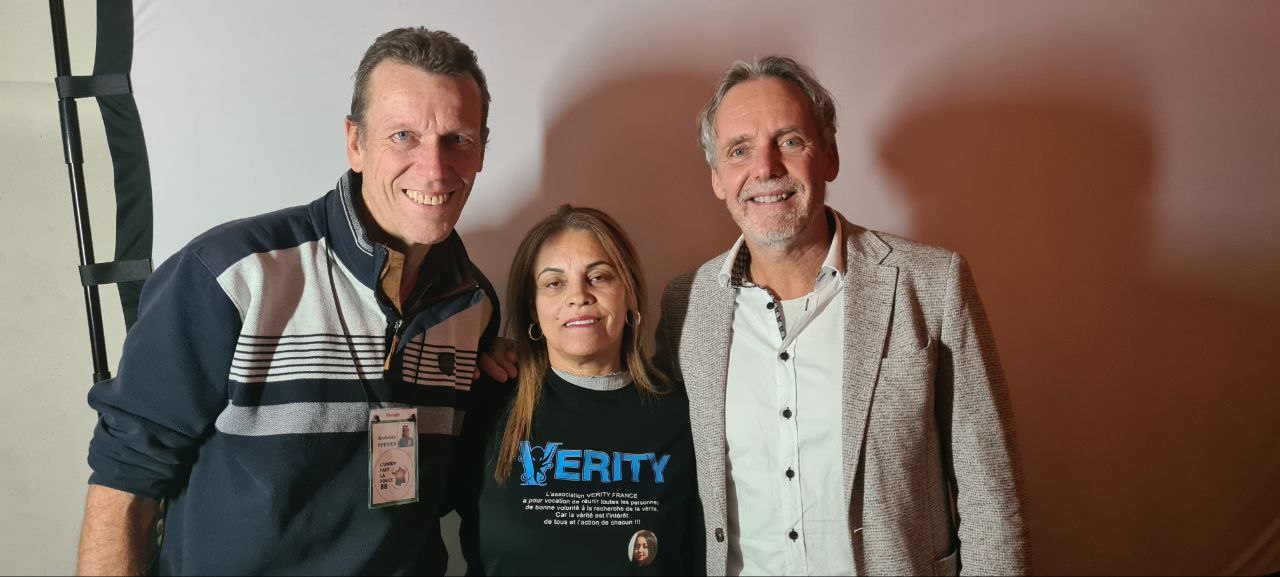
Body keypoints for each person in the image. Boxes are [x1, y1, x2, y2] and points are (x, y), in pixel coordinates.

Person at [77, 27, 511, 575]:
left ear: (482, 150)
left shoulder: (474, 306)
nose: (435, 168)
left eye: (458, 139)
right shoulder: (231, 274)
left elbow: (456, 488)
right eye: (403, 135)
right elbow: (124, 485)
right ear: (355, 143)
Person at [654, 56, 1030, 575]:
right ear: (717, 177)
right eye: (739, 150)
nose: (765, 169)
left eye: (790, 141)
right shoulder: (687, 305)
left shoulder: (932, 284)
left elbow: (991, 498)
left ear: (829, 156)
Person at [466, 206, 703, 575]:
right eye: (554, 283)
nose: (579, 296)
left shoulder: (684, 416)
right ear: (533, 308)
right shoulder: (487, 402)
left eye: (599, 277)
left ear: (630, 294)